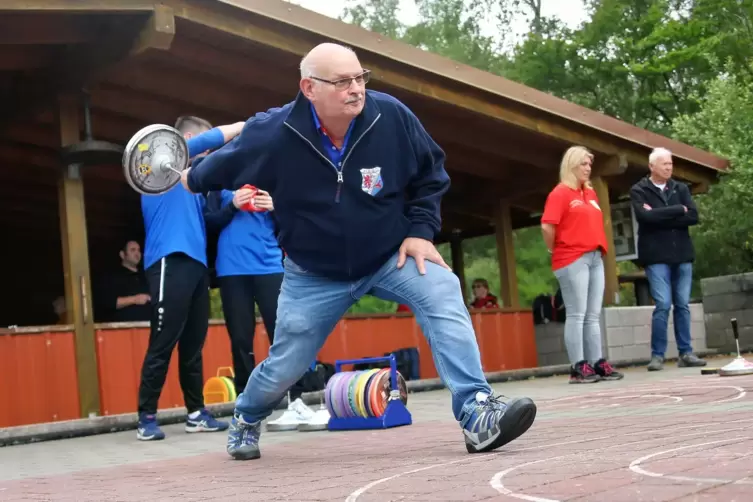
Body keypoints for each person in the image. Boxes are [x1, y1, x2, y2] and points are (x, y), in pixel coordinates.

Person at [181, 42, 537, 461]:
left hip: (388, 255)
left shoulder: (391, 116)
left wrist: (421, 231)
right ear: (309, 87)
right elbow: (217, 166)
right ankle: (246, 416)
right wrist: (188, 178)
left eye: (360, 78)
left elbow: (431, 174)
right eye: (342, 81)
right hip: (313, 272)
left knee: (442, 287)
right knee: (287, 364)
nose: (356, 89)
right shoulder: (274, 132)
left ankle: (477, 412)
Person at [135, 116, 244, 441]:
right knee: (163, 340)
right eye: (201, 145)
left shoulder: (191, 184)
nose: (206, 153)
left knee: (193, 345)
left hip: (197, 266)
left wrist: (233, 204)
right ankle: (146, 417)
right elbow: (208, 141)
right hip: (170, 259)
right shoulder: (156, 169)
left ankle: (195, 413)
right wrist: (247, 125)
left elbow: (210, 221)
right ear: (186, 139)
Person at [203, 186, 328, 430]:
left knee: (285, 334)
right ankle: (245, 410)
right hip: (232, 271)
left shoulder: (270, 176)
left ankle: (296, 402)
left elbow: (295, 224)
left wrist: (276, 207)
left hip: (270, 267)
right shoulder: (220, 183)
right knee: (240, 340)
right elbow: (207, 224)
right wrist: (232, 206)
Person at [540, 146, 624, 384]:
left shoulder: (590, 193)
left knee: (593, 314)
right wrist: (554, 248)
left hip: (595, 257)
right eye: (583, 164)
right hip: (572, 258)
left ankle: (596, 362)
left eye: (589, 165)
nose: (588, 169)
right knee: (577, 313)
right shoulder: (560, 193)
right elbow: (547, 226)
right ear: (571, 165)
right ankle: (578, 366)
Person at [629, 147, 706, 371]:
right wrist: (677, 210)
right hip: (656, 256)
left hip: (682, 254)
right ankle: (657, 356)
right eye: (664, 164)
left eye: (671, 164)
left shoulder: (681, 188)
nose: (669, 167)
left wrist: (660, 214)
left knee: (682, 304)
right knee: (663, 304)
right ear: (652, 166)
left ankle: (686, 352)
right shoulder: (639, 190)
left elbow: (693, 216)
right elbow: (644, 217)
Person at [94, 240, 151, 322]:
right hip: (123, 330)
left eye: (139, 250)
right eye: (133, 250)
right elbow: (106, 303)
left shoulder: (146, 275)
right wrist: (134, 299)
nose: (137, 253)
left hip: (148, 328)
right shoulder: (112, 276)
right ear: (122, 255)